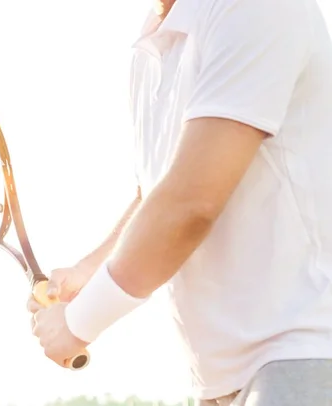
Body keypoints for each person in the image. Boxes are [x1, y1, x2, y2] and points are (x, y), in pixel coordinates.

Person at [27, 0, 332, 405]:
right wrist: (89, 272)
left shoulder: (255, 7)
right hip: (221, 383)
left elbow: (191, 202)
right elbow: (160, 192)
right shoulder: (155, 36)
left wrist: (78, 323)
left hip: (302, 358)